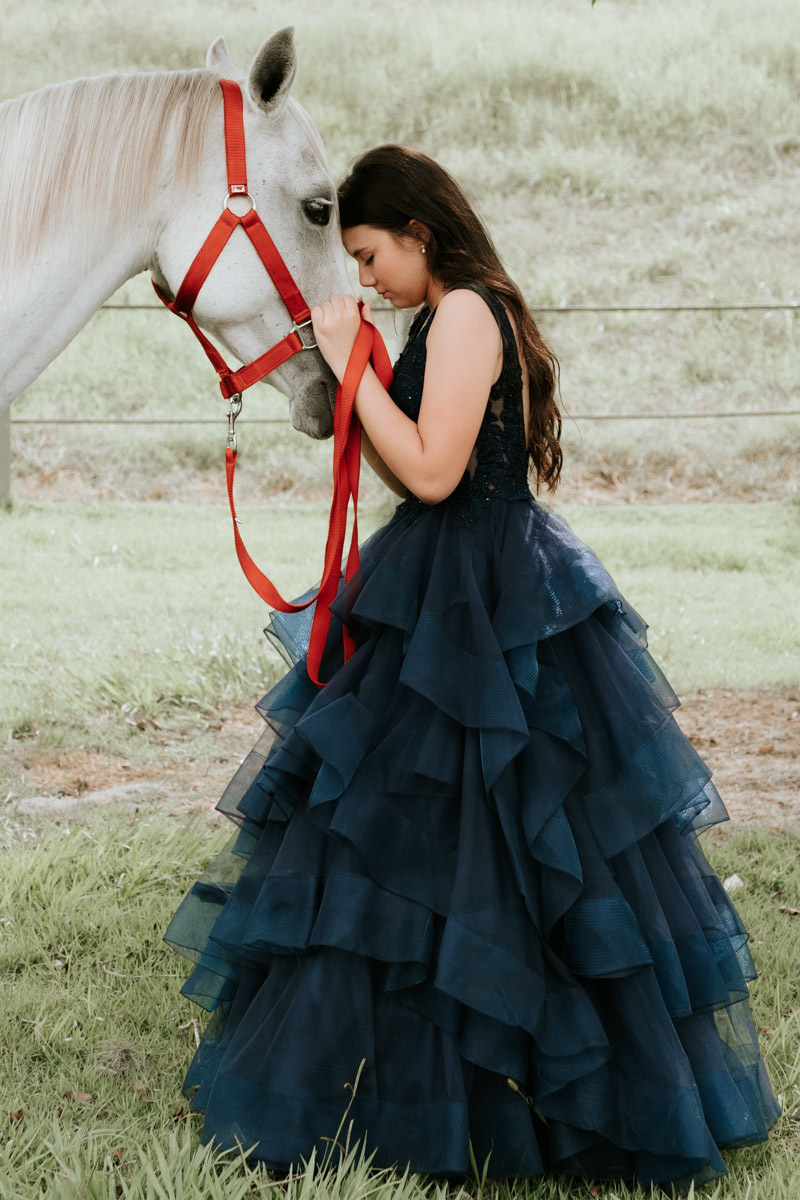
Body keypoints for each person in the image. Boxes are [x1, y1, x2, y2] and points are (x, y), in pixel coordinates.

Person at [165, 145, 779, 1190]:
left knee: (476, 830)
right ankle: (432, 1079)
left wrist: (351, 361)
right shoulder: (451, 312)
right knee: (433, 834)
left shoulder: (459, 314)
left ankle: (512, 1084)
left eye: (368, 256)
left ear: (418, 232)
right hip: (452, 576)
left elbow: (432, 468)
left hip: (474, 590)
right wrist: (360, 356)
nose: (363, 279)